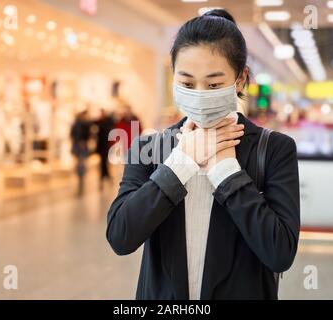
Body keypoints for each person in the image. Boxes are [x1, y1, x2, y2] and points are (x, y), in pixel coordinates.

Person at [106, 9, 300, 300]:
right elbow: (121, 236)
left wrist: (227, 172)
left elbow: (280, 252)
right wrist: (179, 166)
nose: (199, 94)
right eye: (186, 83)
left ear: (240, 79)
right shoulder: (150, 149)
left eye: (213, 84)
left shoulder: (273, 149)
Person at [70, 108, 91, 196]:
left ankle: (81, 176)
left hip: (81, 146)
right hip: (78, 146)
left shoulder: (84, 124)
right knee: (80, 162)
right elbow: (72, 134)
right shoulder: (78, 124)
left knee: (81, 162)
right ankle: (80, 175)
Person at [95, 108, 115, 189]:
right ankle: (106, 178)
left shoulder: (107, 122)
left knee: (104, 163)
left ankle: (105, 178)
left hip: (106, 146)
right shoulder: (99, 122)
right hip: (101, 146)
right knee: (103, 163)